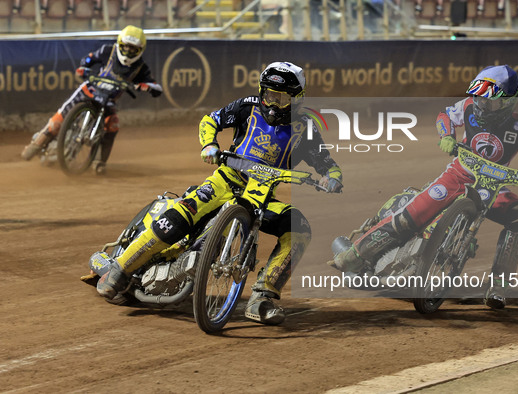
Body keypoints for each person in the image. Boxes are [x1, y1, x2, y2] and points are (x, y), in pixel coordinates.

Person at [96, 61, 343, 325]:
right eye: (269, 94)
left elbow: (325, 162)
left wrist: (333, 177)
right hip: (224, 181)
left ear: (296, 100)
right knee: (180, 214)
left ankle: (262, 297)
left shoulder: (306, 128)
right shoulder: (247, 106)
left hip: (261, 197)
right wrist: (209, 145)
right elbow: (210, 120)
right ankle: (121, 269)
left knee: (299, 227)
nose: (272, 102)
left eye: (280, 98)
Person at [332, 65, 518, 309]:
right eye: (478, 98)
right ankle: (355, 256)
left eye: (490, 102)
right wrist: (446, 135)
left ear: (508, 103)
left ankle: (498, 285)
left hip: (493, 188)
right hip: (457, 175)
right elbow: (445, 116)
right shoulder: (467, 107)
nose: (481, 106)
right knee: (410, 215)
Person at [21, 25, 162, 174]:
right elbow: (89, 58)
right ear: (119, 44)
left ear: (140, 50)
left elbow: (155, 86)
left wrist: (147, 87)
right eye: (126, 47)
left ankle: (99, 162)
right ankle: (37, 143)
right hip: (89, 90)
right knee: (63, 114)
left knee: (112, 125)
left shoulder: (141, 67)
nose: (128, 52)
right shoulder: (107, 51)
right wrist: (84, 67)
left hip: (109, 100)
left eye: (133, 49)